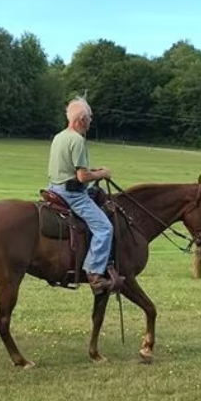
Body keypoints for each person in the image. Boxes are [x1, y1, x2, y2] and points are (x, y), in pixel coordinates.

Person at [47, 97, 125, 295]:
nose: (91, 121)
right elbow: (82, 177)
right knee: (104, 228)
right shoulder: (77, 140)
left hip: (54, 188)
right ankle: (94, 274)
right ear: (81, 120)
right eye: (89, 117)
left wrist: (92, 171)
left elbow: (73, 170)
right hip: (72, 195)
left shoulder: (59, 136)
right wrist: (102, 173)